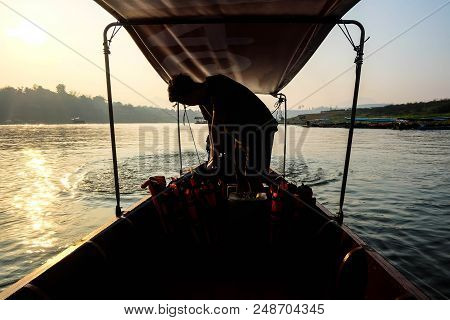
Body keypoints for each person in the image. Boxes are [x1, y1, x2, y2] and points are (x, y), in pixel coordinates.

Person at [168, 74, 278, 192]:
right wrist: (212, 156)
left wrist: (215, 155)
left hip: (261, 128)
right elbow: (211, 125)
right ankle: (241, 199)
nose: (187, 104)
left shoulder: (217, 83)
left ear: (190, 91)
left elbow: (217, 121)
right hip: (241, 135)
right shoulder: (202, 101)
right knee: (239, 173)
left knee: (253, 175)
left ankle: (258, 205)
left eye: (184, 101)